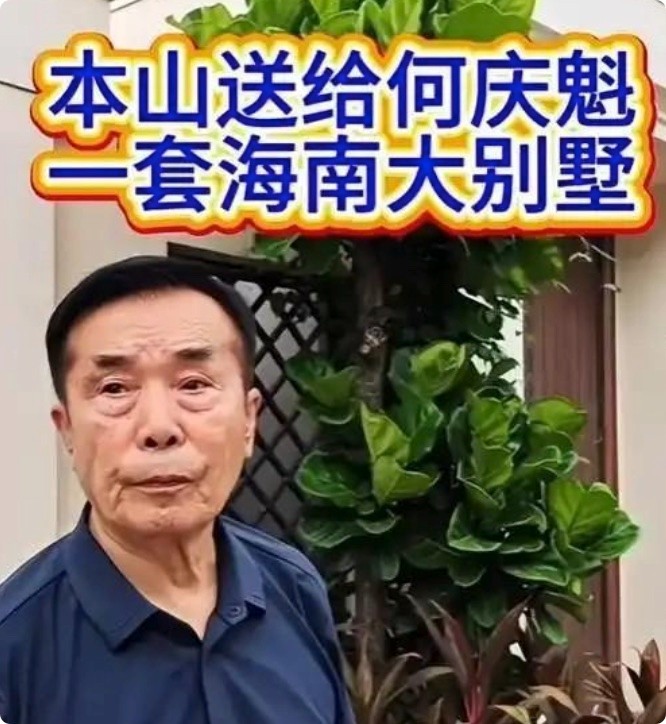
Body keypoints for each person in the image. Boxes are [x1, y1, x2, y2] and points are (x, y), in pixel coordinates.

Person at [0, 255, 356, 724]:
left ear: (249, 420)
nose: (159, 428)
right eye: (115, 388)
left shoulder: (294, 586)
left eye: (193, 384)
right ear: (67, 429)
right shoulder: (14, 644)